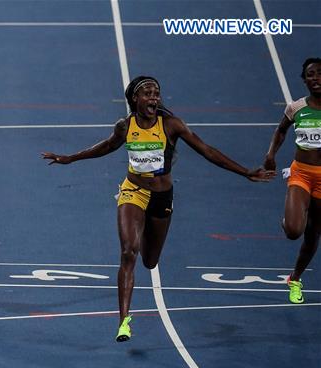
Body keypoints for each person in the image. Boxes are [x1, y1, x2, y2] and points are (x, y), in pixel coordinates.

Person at [42, 76, 275, 342]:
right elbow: (106, 147)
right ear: (135, 100)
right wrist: (70, 158)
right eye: (148, 94)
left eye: (157, 94)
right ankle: (124, 321)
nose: (154, 98)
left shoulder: (171, 126)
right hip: (133, 191)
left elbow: (207, 150)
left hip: (162, 197)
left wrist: (245, 172)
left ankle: (143, 241)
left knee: (150, 261)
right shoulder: (125, 127)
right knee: (129, 251)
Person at [264, 57, 321, 304]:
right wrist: (270, 155)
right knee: (293, 231)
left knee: (312, 235)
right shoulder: (296, 107)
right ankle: (291, 218)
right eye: (310, 74)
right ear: (304, 80)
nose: (315, 78)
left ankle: (295, 279)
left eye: (319, 73)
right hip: (301, 172)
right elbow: (281, 130)